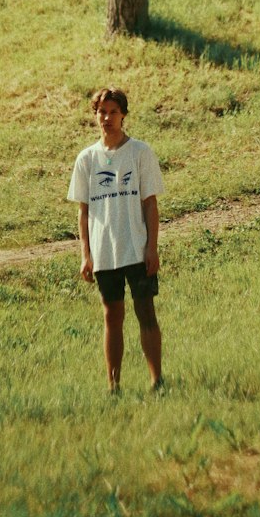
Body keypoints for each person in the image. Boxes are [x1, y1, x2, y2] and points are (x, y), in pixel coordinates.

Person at [68, 87, 164, 393]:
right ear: (95, 116)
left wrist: (152, 247)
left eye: (113, 111)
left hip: (136, 248)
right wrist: (86, 254)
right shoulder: (86, 159)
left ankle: (157, 380)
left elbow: (150, 203)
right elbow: (83, 212)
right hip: (104, 252)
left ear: (123, 114)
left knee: (146, 312)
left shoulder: (140, 153)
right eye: (101, 112)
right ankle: (114, 385)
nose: (107, 117)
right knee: (112, 317)